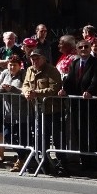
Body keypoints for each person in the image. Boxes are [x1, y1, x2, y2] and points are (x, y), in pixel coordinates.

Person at [61, 39, 97, 171]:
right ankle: (85, 162)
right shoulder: (74, 63)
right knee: (80, 134)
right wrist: (64, 89)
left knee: (93, 135)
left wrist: (90, 91)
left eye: (86, 47)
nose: (84, 49)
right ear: (77, 49)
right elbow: (69, 80)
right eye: (80, 47)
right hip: (77, 105)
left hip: (92, 106)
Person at [22, 48, 65, 176]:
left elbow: (53, 89)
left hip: (52, 110)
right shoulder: (29, 70)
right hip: (36, 111)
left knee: (57, 140)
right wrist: (26, 92)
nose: (34, 61)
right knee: (40, 139)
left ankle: (61, 165)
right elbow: (25, 84)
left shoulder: (52, 70)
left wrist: (36, 93)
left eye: (37, 58)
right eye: (32, 58)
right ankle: (43, 164)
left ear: (43, 58)